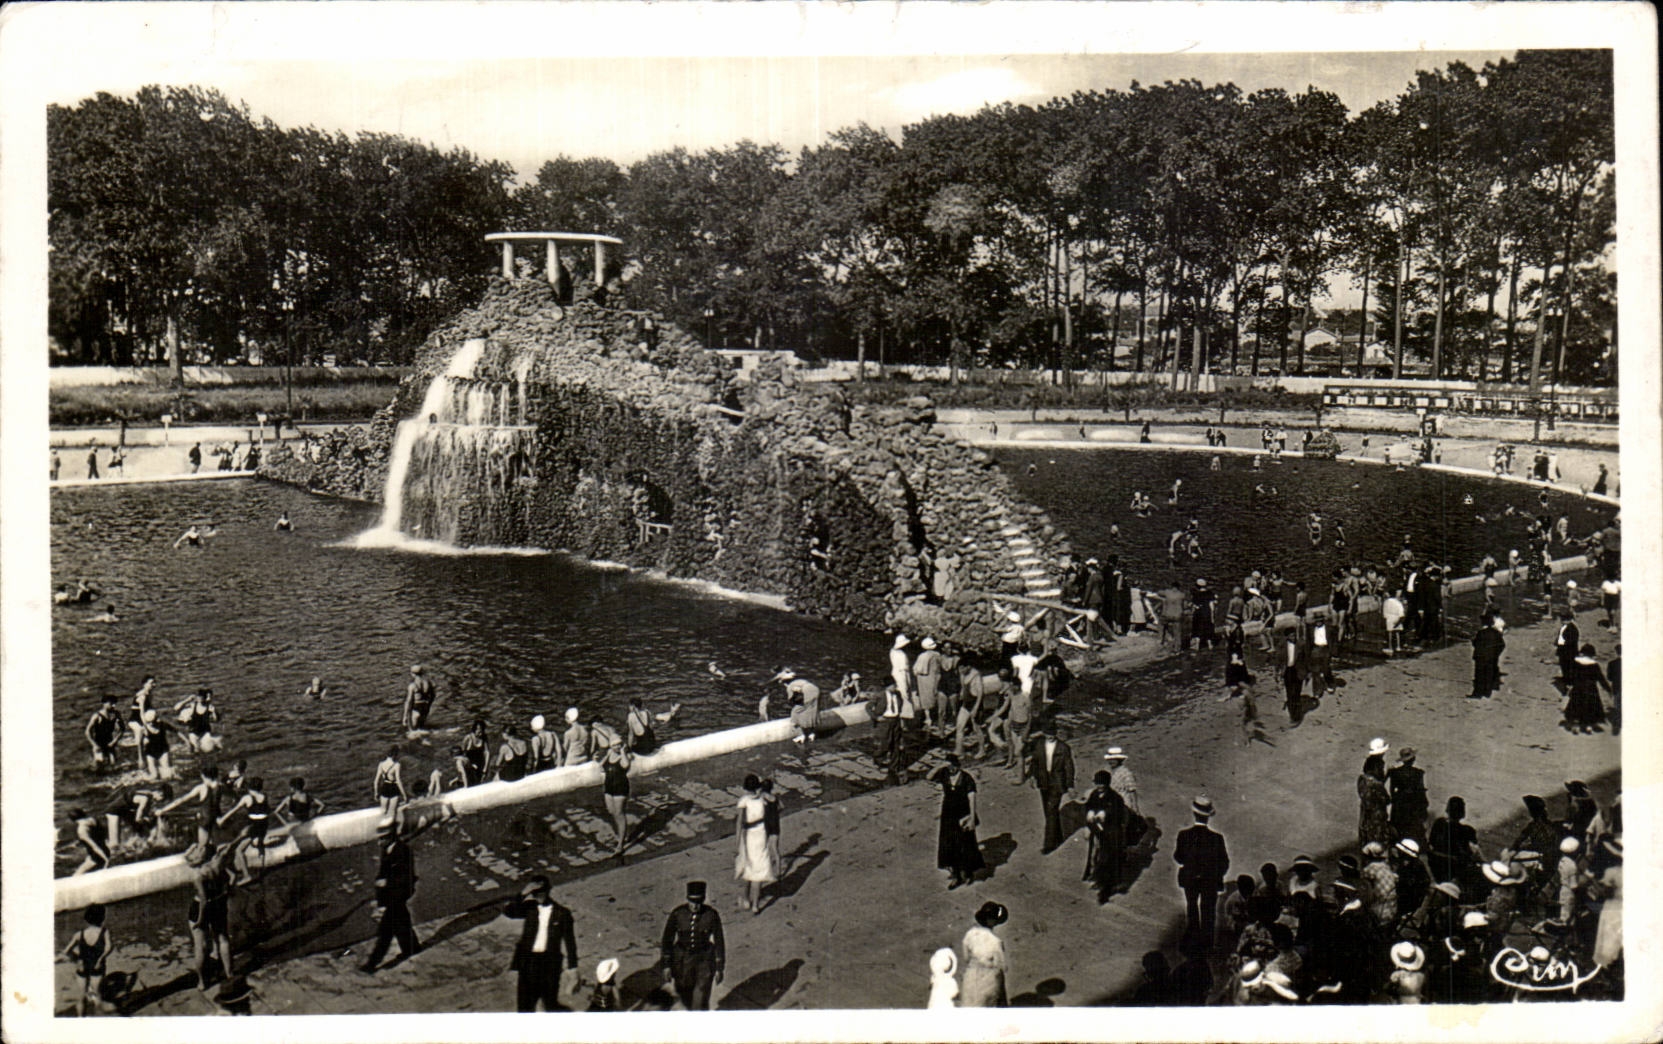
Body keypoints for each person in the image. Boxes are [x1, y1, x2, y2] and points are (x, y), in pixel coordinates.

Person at [502, 874, 579, 1012]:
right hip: (528, 962)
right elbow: (509, 911)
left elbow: (570, 942)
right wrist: (524, 893)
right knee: (525, 1007)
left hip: (549, 963)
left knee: (549, 1004)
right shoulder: (529, 908)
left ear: (548, 891)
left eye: (541, 893)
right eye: (535, 894)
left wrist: (573, 968)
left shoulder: (562, 913)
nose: (538, 897)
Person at [185, 835, 253, 992]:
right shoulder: (219, 864)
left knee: (200, 946)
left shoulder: (198, 875)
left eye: (199, 850)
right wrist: (228, 890)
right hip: (218, 903)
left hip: (201, 908)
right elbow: (233, 875)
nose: (196, 851)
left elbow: (203, 899)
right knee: (223, 939)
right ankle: (230, 973)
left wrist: (201, 919)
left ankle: (202, 982)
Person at [359, 817, 423, 974]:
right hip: (391, 894)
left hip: (399, 892)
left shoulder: (403, 851)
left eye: (382, 838)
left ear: (391, 837)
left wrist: (386, 882)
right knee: (402, 921)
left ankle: (372, 963)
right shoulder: (387, 849)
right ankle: (412, 948)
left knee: (386, 931)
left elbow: (405, 876)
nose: (379, 842)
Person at [659, 880, 725, 1010]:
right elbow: (667, 940)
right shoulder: (678, 914)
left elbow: (719, 941)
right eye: (692, 901)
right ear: (687, 899)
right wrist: (666, 965)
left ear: (704, 900)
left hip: (704, 961)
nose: (695, 906)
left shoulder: (711, 915)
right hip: (683, 961)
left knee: (700, 999)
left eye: (698, 902)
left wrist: (719, 967)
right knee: (684, 998)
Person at [1174, 795, 1230, 947]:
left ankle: (1192, 937)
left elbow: (1178, 857)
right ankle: (1207, 941)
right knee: (1208, 910)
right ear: (1208, 817)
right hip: (1209, 880)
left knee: (1192, 906)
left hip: (1190, 878)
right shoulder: (1217, 838)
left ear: (1194, 814)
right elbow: (1224, 862)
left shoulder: (1184, 835)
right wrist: (1215, 874)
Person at [930, 754, 984, 889]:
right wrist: (939, 766)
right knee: (949, 843)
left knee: (965, 843)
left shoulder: (966, 778)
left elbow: (972, 798)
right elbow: (929, 777)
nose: (950, 769)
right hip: (948, 814)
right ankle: (955, 875)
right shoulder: (944, 774)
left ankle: (967, 871)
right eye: (948, 766)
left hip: (963, 814)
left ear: (958, 765)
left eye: (952, 766)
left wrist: (971, 817)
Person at [59, 902, 114, 1016]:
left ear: (87, 918)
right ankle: (98, 1017)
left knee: (81, 997)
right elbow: (109, 947)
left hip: (82, 966)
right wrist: (100, 959)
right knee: (97, 995)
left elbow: (66, 951)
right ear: (102, 918)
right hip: (96, 966)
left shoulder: (79, 934)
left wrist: (76, 959)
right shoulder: (104, 932)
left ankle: (81, 1020)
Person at [1083, 770, 1129, 903]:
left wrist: (1105, 815)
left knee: (1107, 858)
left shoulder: (1115, 798)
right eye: (1097, 784)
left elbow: (1117, 815)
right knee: (1095, 855)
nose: (1099, 787)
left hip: (1111, 833)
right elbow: (1088, 807)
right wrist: (1089, 817)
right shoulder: (1094, 794)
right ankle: (1098, 878)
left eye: (1102, 784)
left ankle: (1108, 885)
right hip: (1097, 830)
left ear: (1107, 784)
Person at [1029, 721, 1074, 854]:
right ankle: (1058, 837)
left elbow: (1069, 767)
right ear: (1044, 733)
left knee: (1051, 809)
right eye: (1048, 734)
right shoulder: (1039, 745)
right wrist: (1032, 776)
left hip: (1057, 782)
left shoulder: (1063, 748)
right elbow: (1035, 762)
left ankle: (1049, 845)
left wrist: (1070, 785)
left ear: (1056, 734)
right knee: (1049, 812)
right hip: (1043, 781)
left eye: (1052, 734)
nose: (1050, 737)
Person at [216, 776, 272, 883]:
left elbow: (234, 810)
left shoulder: (247, 798)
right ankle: (262, 867)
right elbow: (267, 810)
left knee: (238, 850)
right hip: (263, 826)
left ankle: (246, 876)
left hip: (254, 827)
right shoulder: (264, 796)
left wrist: (222, 819)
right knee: (258, 843)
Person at [734, 774, 775, 912]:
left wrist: (737, 840)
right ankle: (756, 905)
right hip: (761, 832)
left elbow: (740, 822)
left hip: (749, 834)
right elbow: (774, 803)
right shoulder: (762, 800)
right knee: (759, 866)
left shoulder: (744, 801)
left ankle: (746, 899)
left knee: (748, 865)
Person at [959, 901, 1010, 1007]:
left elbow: (966, 957)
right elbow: (1002, 966)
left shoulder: (970, 934)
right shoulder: (996, 942)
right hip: (989, 983)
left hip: (970, 979)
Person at [1563, 642, 1611, 733]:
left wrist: (1569, 685)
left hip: (1578, 687)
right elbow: (1600, 678)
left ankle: (1575, 725)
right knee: (1590, 708)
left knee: (1575, 706)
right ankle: (1588, 726)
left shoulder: (1576, 662)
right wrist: (1608, 689)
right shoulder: (1594, 665)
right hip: (1591, 689)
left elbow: (1571, 675)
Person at [1387, 748, 1428, 847]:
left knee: (1399, 828)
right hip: (1413, 802)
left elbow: (1392, 790)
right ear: (1413, 760)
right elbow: (1421, 790)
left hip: (1400, 803)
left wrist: (1396, 800)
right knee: (1412, 829)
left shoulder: (1395, 772)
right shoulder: (1418, 773)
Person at [601, 744, 633, 857]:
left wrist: (623, 752)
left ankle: (620, 845)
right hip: (609, 787)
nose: (617, 747)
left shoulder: (625, 756)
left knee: (619, 813)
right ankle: (623, 833)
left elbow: (626, 766)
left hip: (620, 787)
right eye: (614, 745)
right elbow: (601, 767)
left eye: (619, 744)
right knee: (611, 811)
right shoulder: (610, 754)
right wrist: (607, 755)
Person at [913, 636, 945, 736]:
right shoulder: (937, 655)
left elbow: (918, 669)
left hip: (925, 679)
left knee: (925, 698)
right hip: (935, 677)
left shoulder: (923, 656)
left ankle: (928, 719)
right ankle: (935, 717)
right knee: (934, 696)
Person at [1469, 613, 1506, 699]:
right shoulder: (1496, 633)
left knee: (1479, 675)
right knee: (1489, 674)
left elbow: (1475, 643)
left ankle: (1477, 693)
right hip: (1492, 657)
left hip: (1480, 657)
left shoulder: (1481, 633)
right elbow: (1502, 645)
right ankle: (1487, 692)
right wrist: (1496, 653)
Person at [173, 687, 219, 753]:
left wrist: (214, 712)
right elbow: (176, 708)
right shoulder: (192, 705)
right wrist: (187, 700)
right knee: (195, 750)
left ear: (204, 698)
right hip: (193, 731)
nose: (200, 699)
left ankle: (213, 744)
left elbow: (216, 720)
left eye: (202, 697)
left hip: (205, 731)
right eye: (198, 697)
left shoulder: (210, 707)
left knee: (208, 750)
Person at [85, 695, 124, 772]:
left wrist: (115, 741)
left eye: (115, 703)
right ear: (104, 703)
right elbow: (87, 731)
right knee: (99, 766)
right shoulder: (97, 716)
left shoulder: (116, 714)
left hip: (110, 742)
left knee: (113, 765)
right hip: (98, 742)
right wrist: (94, 744)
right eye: (111, 703)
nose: (114, 705)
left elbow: (122, 729)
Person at [69, 807, 111, 876]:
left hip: (97, 856)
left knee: (77, 875)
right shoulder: (93, 820)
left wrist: (106, 859)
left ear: (72, 820)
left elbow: (94, 846)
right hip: (105, 849)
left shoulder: (82, 830)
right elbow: (102, 835)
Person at [373, 746, 408, 818]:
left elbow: (376, 781)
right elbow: (398, 781)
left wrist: (376, 793)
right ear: (395, 754)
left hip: (384, 787)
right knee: (392, 813)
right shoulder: (397, 765)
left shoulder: (381, 764)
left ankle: (383, 824)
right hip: (393, 788)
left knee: (383, 811)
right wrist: (404, 795)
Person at [403, 664, 436, 731]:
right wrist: (429, 705)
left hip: (416, 708)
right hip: (425, 707)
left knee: (414, 732)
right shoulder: (428, 683)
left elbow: (409, 701)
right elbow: (433, 695)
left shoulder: (412, 686)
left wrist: (405, 716)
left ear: (413, 674)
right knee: (422, 728)